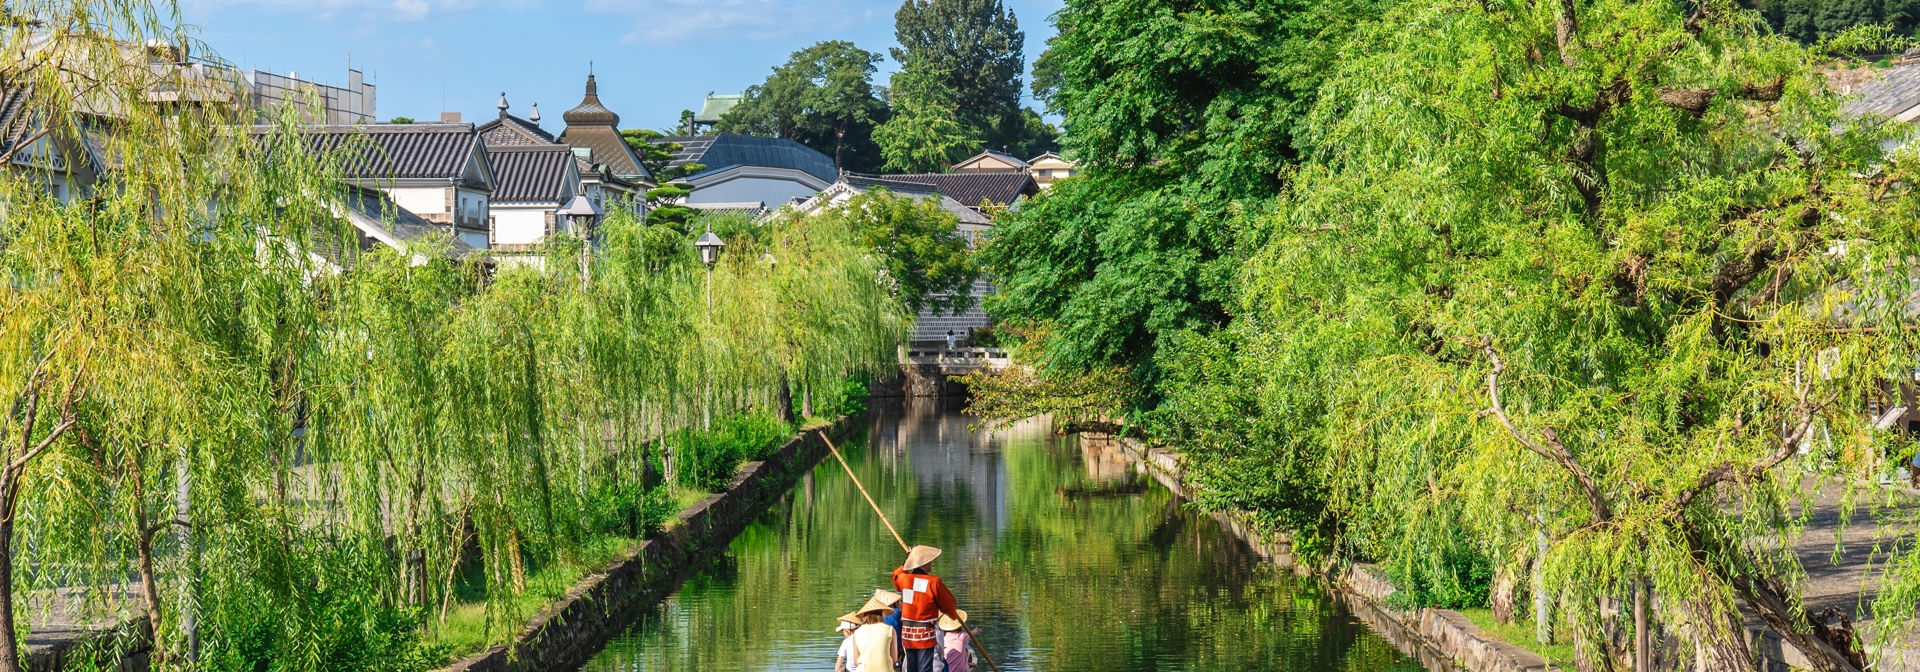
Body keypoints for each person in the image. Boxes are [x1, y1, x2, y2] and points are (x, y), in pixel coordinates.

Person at [892, 545, 962, 672]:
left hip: (908, 634)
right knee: (925, 669)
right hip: (925, 633)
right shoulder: (934, 582)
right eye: (929, 561)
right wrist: (951, 614)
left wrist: (905, 561)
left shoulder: (904, 579)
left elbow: (896, 574)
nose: (931, 563)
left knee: (911, 669)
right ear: (924, 564)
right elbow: (949, 604)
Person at [849, 593, 899, 672]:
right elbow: (894, 659)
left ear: (865, 616)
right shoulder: (890, 629)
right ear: (881, 614)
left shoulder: (857, 632)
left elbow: (856, 662)